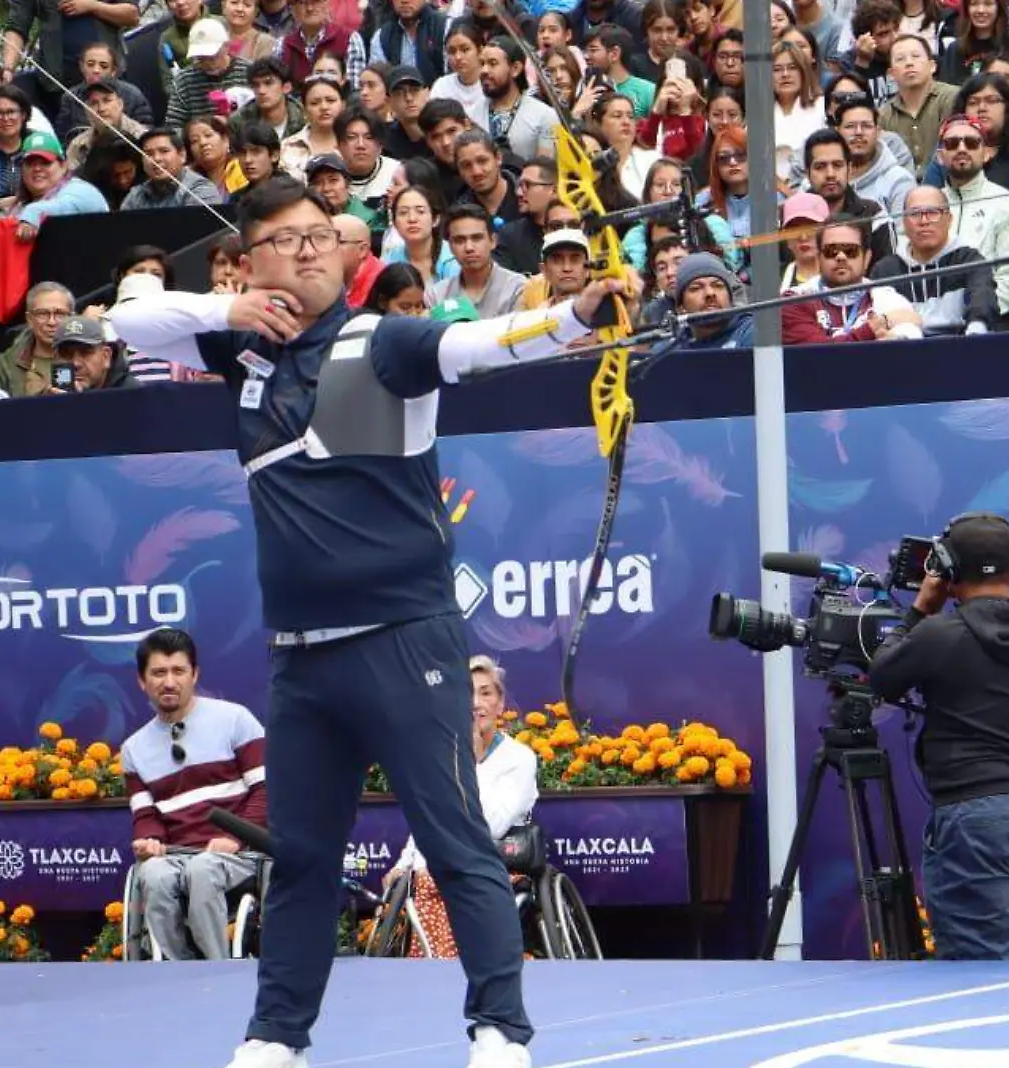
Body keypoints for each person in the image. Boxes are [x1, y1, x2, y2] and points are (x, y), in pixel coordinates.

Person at [106, 174, 629, 1068]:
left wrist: (576, 316)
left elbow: (483, 343)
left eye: (323, 235)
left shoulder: (383, 343)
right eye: (287, 238)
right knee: (302, 859)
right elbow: (126, 320)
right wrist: (232, 311)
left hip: (402, 639)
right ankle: (276, 1038)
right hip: (303, 662)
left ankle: (500, 1031)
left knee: (454, 840)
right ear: (251, 260)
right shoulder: (249, 351)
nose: (310, 249)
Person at [866, 513, 1009, 961]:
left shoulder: (937, 633)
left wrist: (920, 609)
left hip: (971, 815)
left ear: (945, 569)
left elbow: (882, 677)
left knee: (977, 966)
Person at [118, 628, 268, 962]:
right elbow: (146, 817)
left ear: (194, 675)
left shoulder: (235, 719)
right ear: (142, 681)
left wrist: (234, 837)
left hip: (237, 855)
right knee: (153, 874)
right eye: (158, 673)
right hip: (177, 854)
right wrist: (149, 841)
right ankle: (177, 971)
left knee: (202, 869)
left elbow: (267, 791)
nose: (169, 682)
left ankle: (217, 969)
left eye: (178, 671)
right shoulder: (133, 750)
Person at [382, 656, 539, 958]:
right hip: (437, 871)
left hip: (494, 869)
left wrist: (472, 764)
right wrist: (403, 863)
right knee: (424, 879)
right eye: (466, 694)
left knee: (451, 882)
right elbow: (426, 821)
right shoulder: (439, 757)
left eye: (485, 693)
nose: (476, 703)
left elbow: (491, 825)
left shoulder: (519, 759)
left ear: (500, 703)